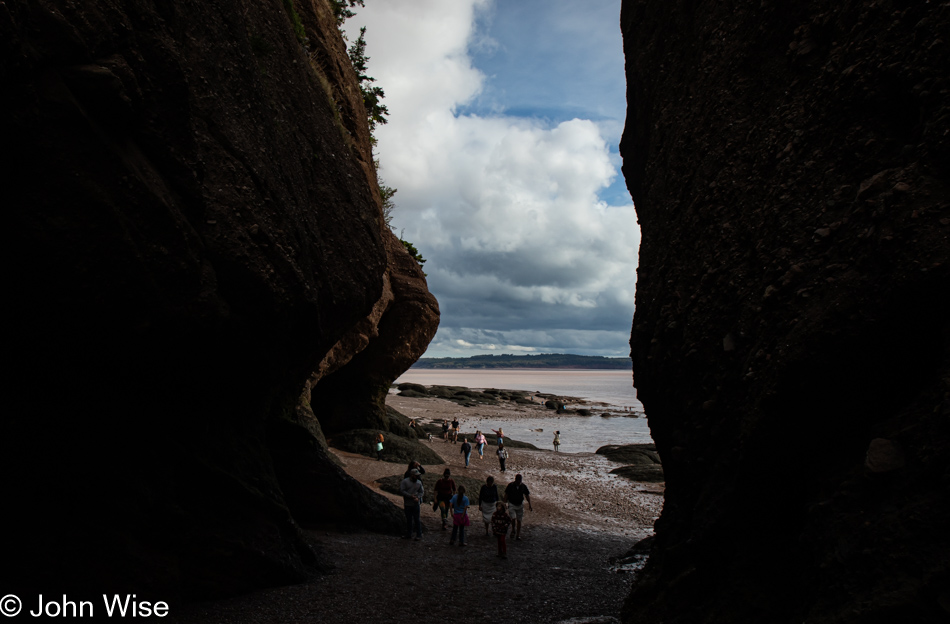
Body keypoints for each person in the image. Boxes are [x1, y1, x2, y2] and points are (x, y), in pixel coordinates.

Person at [503, 473, 532, 540]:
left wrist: (530, 504)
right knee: (513, 518)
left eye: (520, 481)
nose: (519, 482)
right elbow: (506, 494)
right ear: (515, 480)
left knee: (519, 520)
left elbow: (527, 495)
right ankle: (513, 529)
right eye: (518, 481)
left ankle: (518, 535)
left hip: (520, 505)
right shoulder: (510, 485)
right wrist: (504, 503)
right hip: (512, 504)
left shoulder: (523, 486)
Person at [399, 468, 424, 540]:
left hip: (416, 504)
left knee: (417, 520)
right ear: (412, 475)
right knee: (409, 520)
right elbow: (402, 490)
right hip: (408, 504)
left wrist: (418, 498)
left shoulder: (419, 483)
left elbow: (421, 492)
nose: (417, 477)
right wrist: (410, 496)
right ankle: (409, 534)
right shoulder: (405, 482)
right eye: (416, 476)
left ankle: (419, 534)